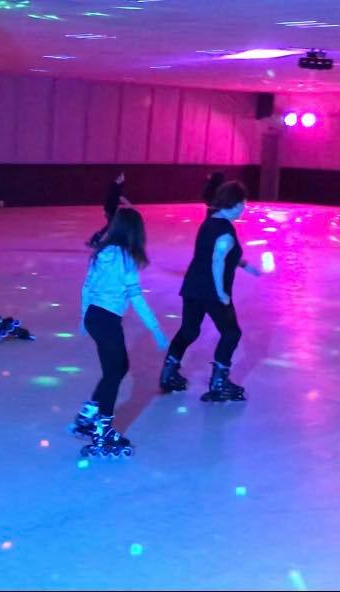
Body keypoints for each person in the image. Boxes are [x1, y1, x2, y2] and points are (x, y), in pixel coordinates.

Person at [69, 208, 169, 458]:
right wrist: (155, 329)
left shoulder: (101, 253)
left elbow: (86, 287)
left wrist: (84, 317)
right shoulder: (125, 258)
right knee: (114, 373)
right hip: (107, 320)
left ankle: (89, 414)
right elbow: (136, 298)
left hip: (95, 316)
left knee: (119, 368)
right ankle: (102, 431)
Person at [160, 181, 261, 401]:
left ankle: (168, 372)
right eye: (243, 204)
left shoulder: (209, 222)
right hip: (211, 291)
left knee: (189, 330)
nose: (244, 209)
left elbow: (217, 254)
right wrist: (221, 293)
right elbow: (217, 260)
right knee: (231, 333)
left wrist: (244, 265)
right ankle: (219, 383)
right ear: (234, 204)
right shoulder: (225, 230)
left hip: (193, 287)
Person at [86, 172, 131, 248]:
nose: (124, 178)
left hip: (110, 209)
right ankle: (96, 240)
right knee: (111, 226)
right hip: (110, 210)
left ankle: (95, 240)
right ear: (119, 177)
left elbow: (117, 198)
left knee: (110, 226)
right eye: (123, 176)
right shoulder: (115, 186)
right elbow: (121, 198)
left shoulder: (115, 185)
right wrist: (129, 205)